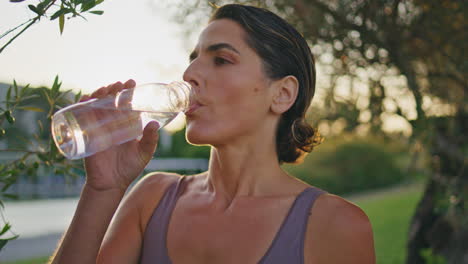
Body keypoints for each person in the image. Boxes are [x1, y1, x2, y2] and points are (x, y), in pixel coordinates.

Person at [50, 4, 375, 264]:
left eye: (221, 60)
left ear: (282, 94)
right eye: (193, 60)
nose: (190, 74)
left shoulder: (336, 225)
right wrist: (103, 188)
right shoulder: (151, 199)